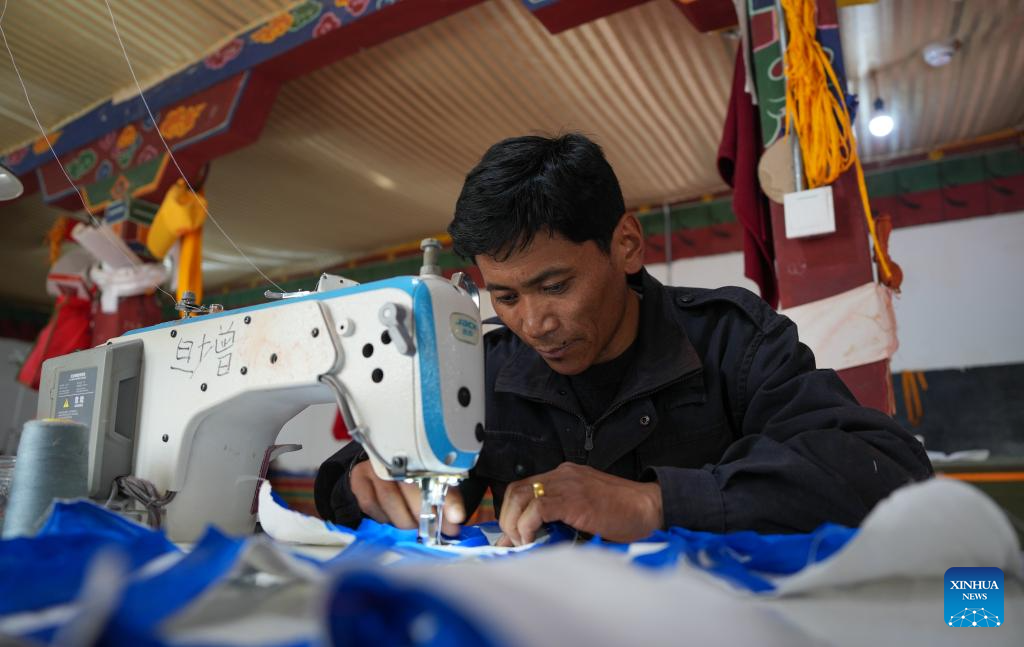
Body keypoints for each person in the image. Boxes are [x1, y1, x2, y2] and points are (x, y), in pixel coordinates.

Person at [314, 133, 933, 546]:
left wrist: (657, 502)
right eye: (504, 297)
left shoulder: (730, 343)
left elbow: (890, 472)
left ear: (626, 245)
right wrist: (364, 479)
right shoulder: (482, 369)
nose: (533, 324)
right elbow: (362, 473)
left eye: (554, 286)